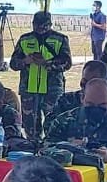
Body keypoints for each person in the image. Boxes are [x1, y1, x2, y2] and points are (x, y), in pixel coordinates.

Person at [9, 11, 72, 142]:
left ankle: (50, 146)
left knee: (53, 123)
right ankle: (32, 146)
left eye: (44, 25)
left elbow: (67, 63)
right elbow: (13, 64)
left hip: (52, 89)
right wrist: (25, 61)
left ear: (50, 24)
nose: (40, 28)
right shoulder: (25, 39)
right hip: (29, 89)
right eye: (37, 25)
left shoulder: (60, 39)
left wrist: (48, 63)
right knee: (30, 126)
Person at [44, 78, 107, 166]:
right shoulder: (65, 120)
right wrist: (68, 148)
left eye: (102, 105)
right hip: (72, 174)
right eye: (90, 104)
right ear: (82, 98)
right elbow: (45, 149)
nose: (96, 108)